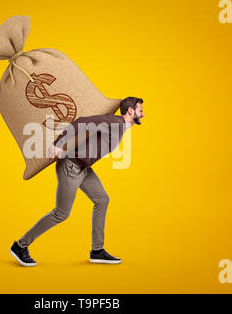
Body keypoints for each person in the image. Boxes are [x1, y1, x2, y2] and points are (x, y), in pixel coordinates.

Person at [9, 97, 145, 266]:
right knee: (61, 213)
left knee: (102, 199)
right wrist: (58, 143)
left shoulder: (121, 127)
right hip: (71, 167)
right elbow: (81, 123)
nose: (143, 114)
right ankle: (20, 245)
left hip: (83, 169)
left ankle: (97, 251)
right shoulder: (114, 122)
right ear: (131, 111)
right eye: (140, 110)